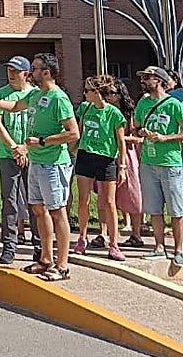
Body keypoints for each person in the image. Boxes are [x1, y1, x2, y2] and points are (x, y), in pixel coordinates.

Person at [0, 53, 80, 282]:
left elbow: (73, 133)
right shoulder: (36, 94)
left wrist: (44, 141)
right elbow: (15, 106)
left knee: (57, 211)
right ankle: (45, 259)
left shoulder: (59, 98)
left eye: (35, 68)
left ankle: (62, 264)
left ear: (46, 72)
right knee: (38, 209)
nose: (30, 73)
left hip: (53, 163)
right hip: (37, 162)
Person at [72, 74, 127, 261]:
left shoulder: (113, 113)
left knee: (109, 202)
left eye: (87, 91)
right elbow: (78, 132)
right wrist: (72, 150)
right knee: (84, 199)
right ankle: (82, 237)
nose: (84, 94)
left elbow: (121, 142)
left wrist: (123, 166)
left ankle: (114, 243)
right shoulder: (85, 108)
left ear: (97, 93)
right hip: (86, 156)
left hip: (106, 158)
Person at [132, 66, 183, 263]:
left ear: (159, 80)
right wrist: (141, 133)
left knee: (176, 209)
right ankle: (159, 246)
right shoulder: (143, 103)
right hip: (148, 161)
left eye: (148, 77)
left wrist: (166, 138)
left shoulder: (174, 104)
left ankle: (178, 250)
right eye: (143, 77)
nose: (144, 80)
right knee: (154, 208)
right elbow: (135, 128)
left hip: (170, 162)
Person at [0, 56, 37, 264]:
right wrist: (14, 148)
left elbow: (39, 125)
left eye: (16, 71)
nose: (11, 74)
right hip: (7, 154)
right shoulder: (0, 94)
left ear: (26, 74)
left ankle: (39, 245)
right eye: (9, 70)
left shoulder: (35, 95)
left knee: (35, 201)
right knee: (9, 201)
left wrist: (26, 148)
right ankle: (9, 246)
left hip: (33, 154)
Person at [110, 80, 145, 248]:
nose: (109, 97)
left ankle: (136, 233)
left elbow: (139, 138)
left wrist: (121, 138)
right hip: (109, 154)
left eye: (113, 93)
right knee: (109, 196)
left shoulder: (129, 113)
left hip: (128, 156)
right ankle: (110, 234)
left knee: (133, 193)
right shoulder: (105, 111)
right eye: (107, 93)